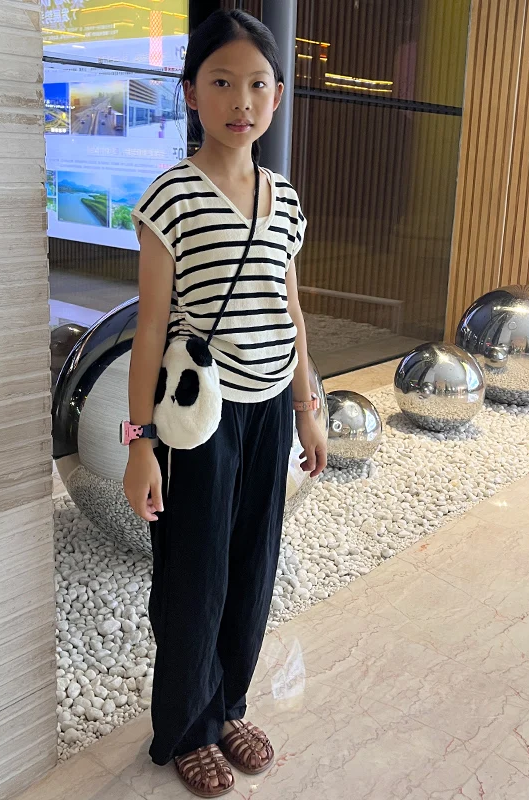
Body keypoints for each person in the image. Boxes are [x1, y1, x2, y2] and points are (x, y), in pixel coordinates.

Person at [123, 10, 327, 797]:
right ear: (190, 94)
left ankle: (227, 705)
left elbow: (291, 310)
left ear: (276, 95)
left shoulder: (286, 200)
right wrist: (140, 443)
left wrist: (308, 407)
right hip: (198, 419)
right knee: (193, 576)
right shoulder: (171, 197)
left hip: (269, 410)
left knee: (252, 568)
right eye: (221, 81)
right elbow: (149, 329)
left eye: (256, 85)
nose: (241, 100)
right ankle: (187, 727)